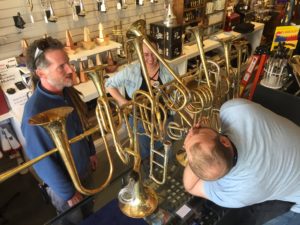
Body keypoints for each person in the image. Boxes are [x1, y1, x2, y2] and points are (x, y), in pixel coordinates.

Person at [183, 98, 300, 225]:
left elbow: (190, 186)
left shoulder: (233, 194)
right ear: (224, 142)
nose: (190, 132)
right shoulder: (236, 110)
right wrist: (199, 143)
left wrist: (194, 157)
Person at [21, 37, 98, 223]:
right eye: (61, 67)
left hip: (83, 170)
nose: (71, 70)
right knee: (73, 220)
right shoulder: (34, 112)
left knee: (90, 215)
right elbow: (42, 161)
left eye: (68, 63)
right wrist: (68, 193)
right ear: (41, 73)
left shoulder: (66, 92)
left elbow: (82, 124)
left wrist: (91, 151)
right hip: (64, 186)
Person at [105, 37, 175, 160]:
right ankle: (148, 176)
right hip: (139, 121)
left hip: (163, 120)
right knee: (144, 154)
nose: (151, 59)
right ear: (140, 54)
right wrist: (124, 102)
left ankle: (162, 174)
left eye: (153, 53)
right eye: (146, 54)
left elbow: (177, 92)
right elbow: (109, 85)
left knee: (165, 152)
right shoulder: (131, 71)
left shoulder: (169, 69)